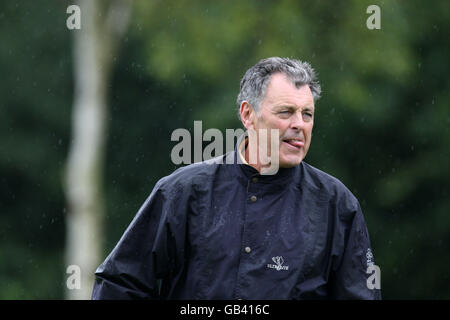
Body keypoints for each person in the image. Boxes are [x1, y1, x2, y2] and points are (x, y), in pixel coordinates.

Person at [92, 57, 381, 300]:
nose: (299, 125)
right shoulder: (183, 192)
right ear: (248, 115)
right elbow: (119, 283)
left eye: (307, 114)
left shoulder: (336, 204)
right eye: (286, 112)